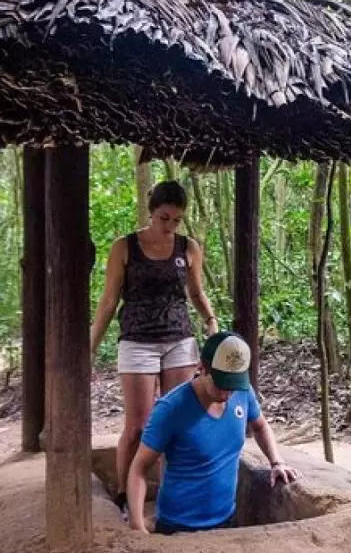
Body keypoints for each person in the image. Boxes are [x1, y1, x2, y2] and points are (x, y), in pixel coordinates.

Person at [90, 180, 219, 516]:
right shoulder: (125, 247)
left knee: (176, 421)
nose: (170, 226)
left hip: (179, 340)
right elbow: (108, 301)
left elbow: (195, 293)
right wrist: (89, 347)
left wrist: (211, 320)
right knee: (138, 426)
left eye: (176, 220)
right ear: (151, 212)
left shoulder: (188, 248)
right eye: (164, 218)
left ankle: (171, 496)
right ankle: (124, 494)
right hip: (137, 341)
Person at [127, 332, 301, 534]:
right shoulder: (170, 408)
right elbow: (139, 468)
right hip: (179, 526)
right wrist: (137, 524)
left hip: (227, 519)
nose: (228, 394)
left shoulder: (243, 392)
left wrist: (276, 461)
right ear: (201, 368)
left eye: (233, 386)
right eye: (221, 384)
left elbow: (260, 425)